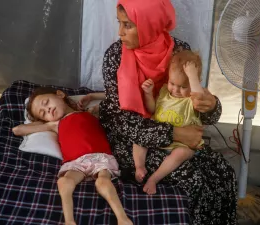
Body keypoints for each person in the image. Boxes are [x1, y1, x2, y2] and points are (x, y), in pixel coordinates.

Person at [80, 0, 238, 224]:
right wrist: (175, 133)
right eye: (120, 24)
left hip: (175, 128)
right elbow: (122, 121)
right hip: (132, 138)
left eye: (128, 25)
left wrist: (211, 105)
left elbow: (196, 106)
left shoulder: (179, 51)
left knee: (223, 171)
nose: (120, 32)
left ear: (150, 24)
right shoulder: (115, 56)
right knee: (193, 178)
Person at [12, 87, 133, 225]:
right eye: (43, 113)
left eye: (46, 103)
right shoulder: (55, 125)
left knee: (103, 181)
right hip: (75, 162)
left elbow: (118, 96)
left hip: (100, 156)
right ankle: (69, 221)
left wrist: (92, 96)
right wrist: (46, 124)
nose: (48, 110)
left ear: (60, 94)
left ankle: (122, 218)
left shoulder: (90, 113)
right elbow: (17, 130)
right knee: (63, 182)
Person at [132, 51, 205, 195]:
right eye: (172, 83)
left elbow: (200, 97)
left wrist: (192, 76)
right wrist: (148, 93)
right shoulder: (165, 91)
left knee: (181, 153)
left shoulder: (192, 98)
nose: (176, 90)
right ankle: (139, 166)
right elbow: (153, 109)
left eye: (183, 86)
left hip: (182, 144)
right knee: (139, 137)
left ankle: (154, 179)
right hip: (158, 139)